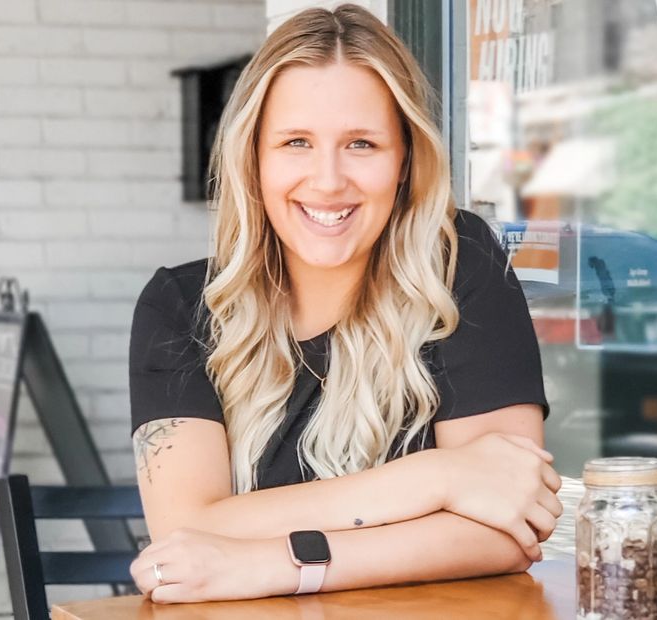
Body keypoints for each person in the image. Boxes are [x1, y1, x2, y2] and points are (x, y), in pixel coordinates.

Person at [127, 4, 560, 604]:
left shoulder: (458, 267)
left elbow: (509, 528)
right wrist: (440, 477)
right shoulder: (179, 309)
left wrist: (280, 562)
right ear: (252, 158)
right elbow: (184, 531)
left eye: (362, 143)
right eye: (296, 142)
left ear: (405, 159)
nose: (328, 181)